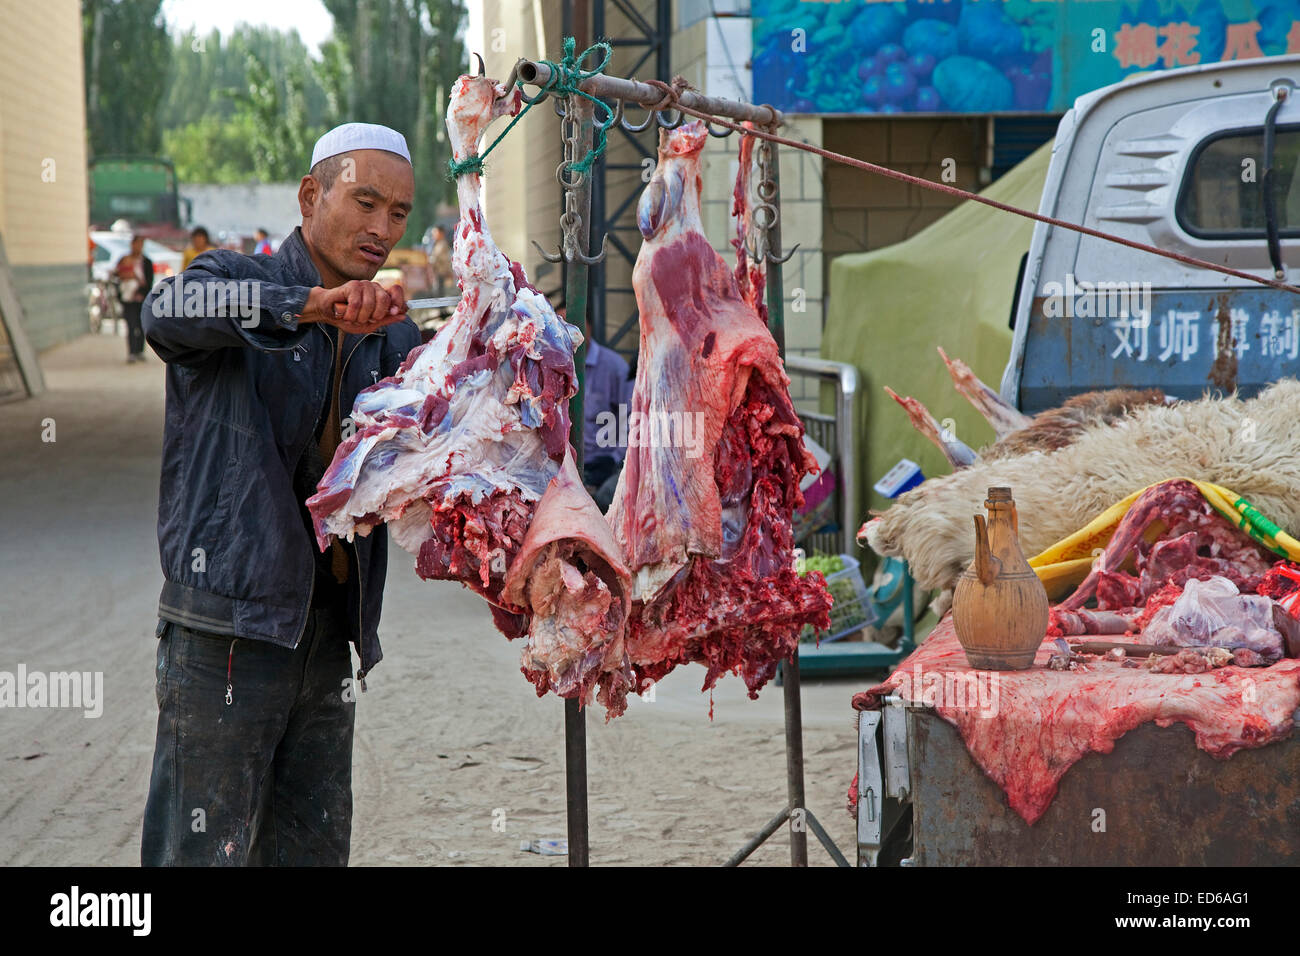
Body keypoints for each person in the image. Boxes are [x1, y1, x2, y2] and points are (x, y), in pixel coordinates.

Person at [140, 122, 421, 867]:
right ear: (310, 193)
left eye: (398, 213)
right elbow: (165, 315)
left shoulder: (391, 337)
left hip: (329, 641)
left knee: (312, 853)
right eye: (365, 201)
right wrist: (308, 305)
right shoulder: (232, 280)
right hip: (225, 634)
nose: (381, 227)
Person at [580, 315, 632, 509]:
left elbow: (631, 417)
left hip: (608, 462)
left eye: (578, 324)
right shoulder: (555, 364)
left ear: (590, 327)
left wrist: (614, 459)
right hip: (567, 466)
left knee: (606, 498)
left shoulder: (614, 366)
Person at [115, 234, 153, 363]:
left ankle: (139, 351)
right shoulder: (124, 260)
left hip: (141, 299)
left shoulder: (147, 262)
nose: (138, 247)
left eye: (140, 244)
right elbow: (118, 276)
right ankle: (131, 352)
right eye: (136, 244)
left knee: (141, 325)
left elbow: (149, 281)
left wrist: (142, 292)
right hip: (128, 299)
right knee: (131, 325)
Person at [428, 223, 452, 296]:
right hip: (438, 271)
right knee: (438, 289)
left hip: (442, 271)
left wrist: (432, 260)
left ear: (441, 233)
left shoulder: (443, 244)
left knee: (441, 290)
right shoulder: (437, 244)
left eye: (435, 232)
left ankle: (442, 306)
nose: (433, 235)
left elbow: (443, 258)